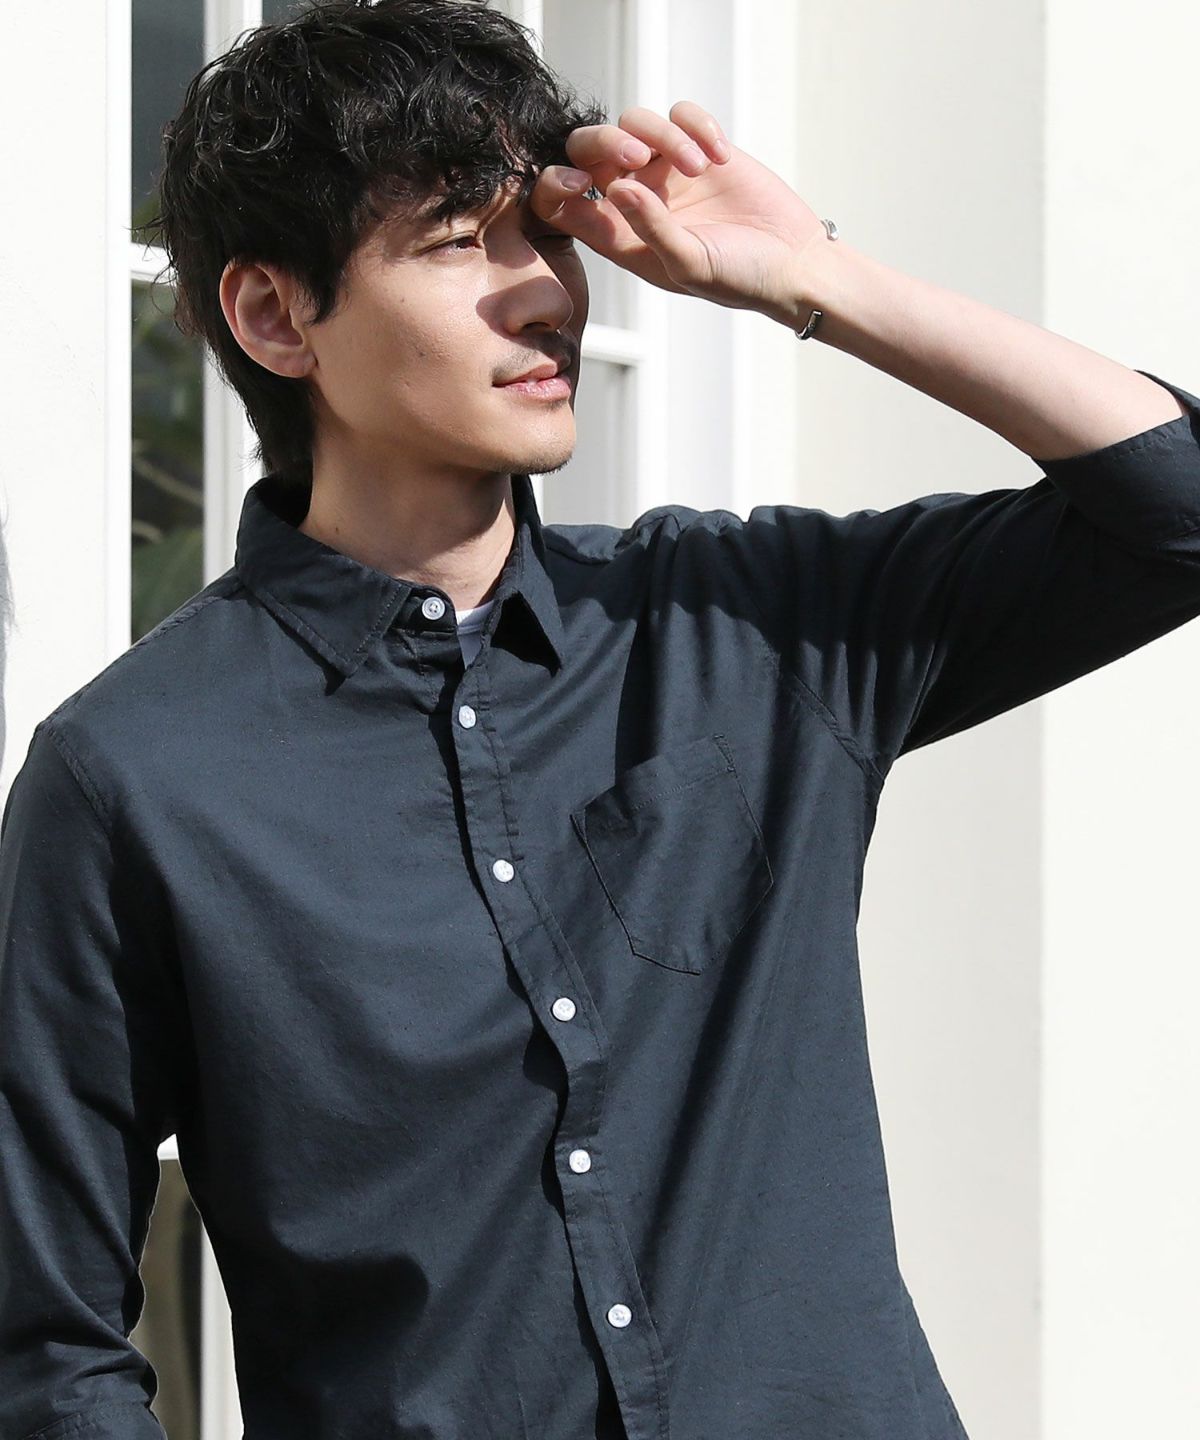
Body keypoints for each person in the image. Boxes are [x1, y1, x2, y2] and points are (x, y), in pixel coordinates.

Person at [1, 1, 1197, 1437]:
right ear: (274, 315)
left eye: (547, 234)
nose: (546, 293)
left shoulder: (746, 623)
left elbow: (1176, 511)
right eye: (461, 240)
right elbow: (45, 1349)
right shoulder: (132, 776)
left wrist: (815, 275)